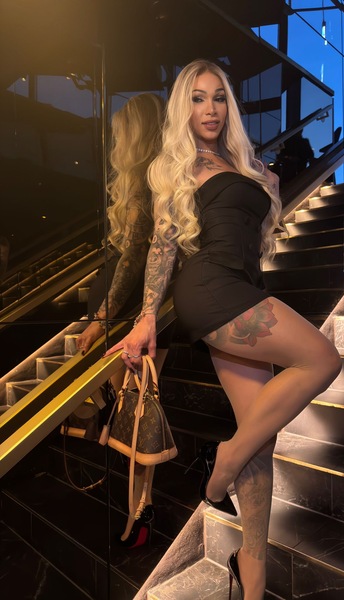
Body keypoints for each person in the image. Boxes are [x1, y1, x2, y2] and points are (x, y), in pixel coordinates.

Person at [106, 60, 341, 598]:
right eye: (197, 98)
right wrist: (146, 317)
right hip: (213, 291)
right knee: (324, 359)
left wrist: (269, 187)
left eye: (217, 98)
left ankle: (251, 576)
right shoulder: (177, 165)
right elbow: (163, 245)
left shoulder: (241, 161)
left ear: (228, 106)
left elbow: (246, 234)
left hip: (242, 286)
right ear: (183, 108)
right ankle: (221, 460)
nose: (209, 109)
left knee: (262, 441)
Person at [76, 92, 171, 548]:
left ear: (134, 134)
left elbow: (133, 256)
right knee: (136, 410)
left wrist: (101, 317)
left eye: (120, 133)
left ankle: (141, 512)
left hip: (131, 314)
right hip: (137, 310)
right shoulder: (156, 177)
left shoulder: (145, 180)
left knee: (136, 412)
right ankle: (140, 509)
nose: (116, 142)